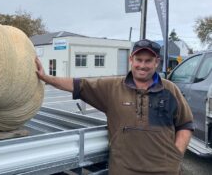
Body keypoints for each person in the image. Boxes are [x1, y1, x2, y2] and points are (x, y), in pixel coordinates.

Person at [35, 39, 194, 175]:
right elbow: (78, 85)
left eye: (148, 61)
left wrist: (176, 155)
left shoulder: (170, 90)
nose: (142, 65)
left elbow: (185, 124)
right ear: (131, 59)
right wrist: (46, 77)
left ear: (156, 62)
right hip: (123, 170)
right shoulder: (112, 88)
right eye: (139, 59)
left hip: (164, 171)